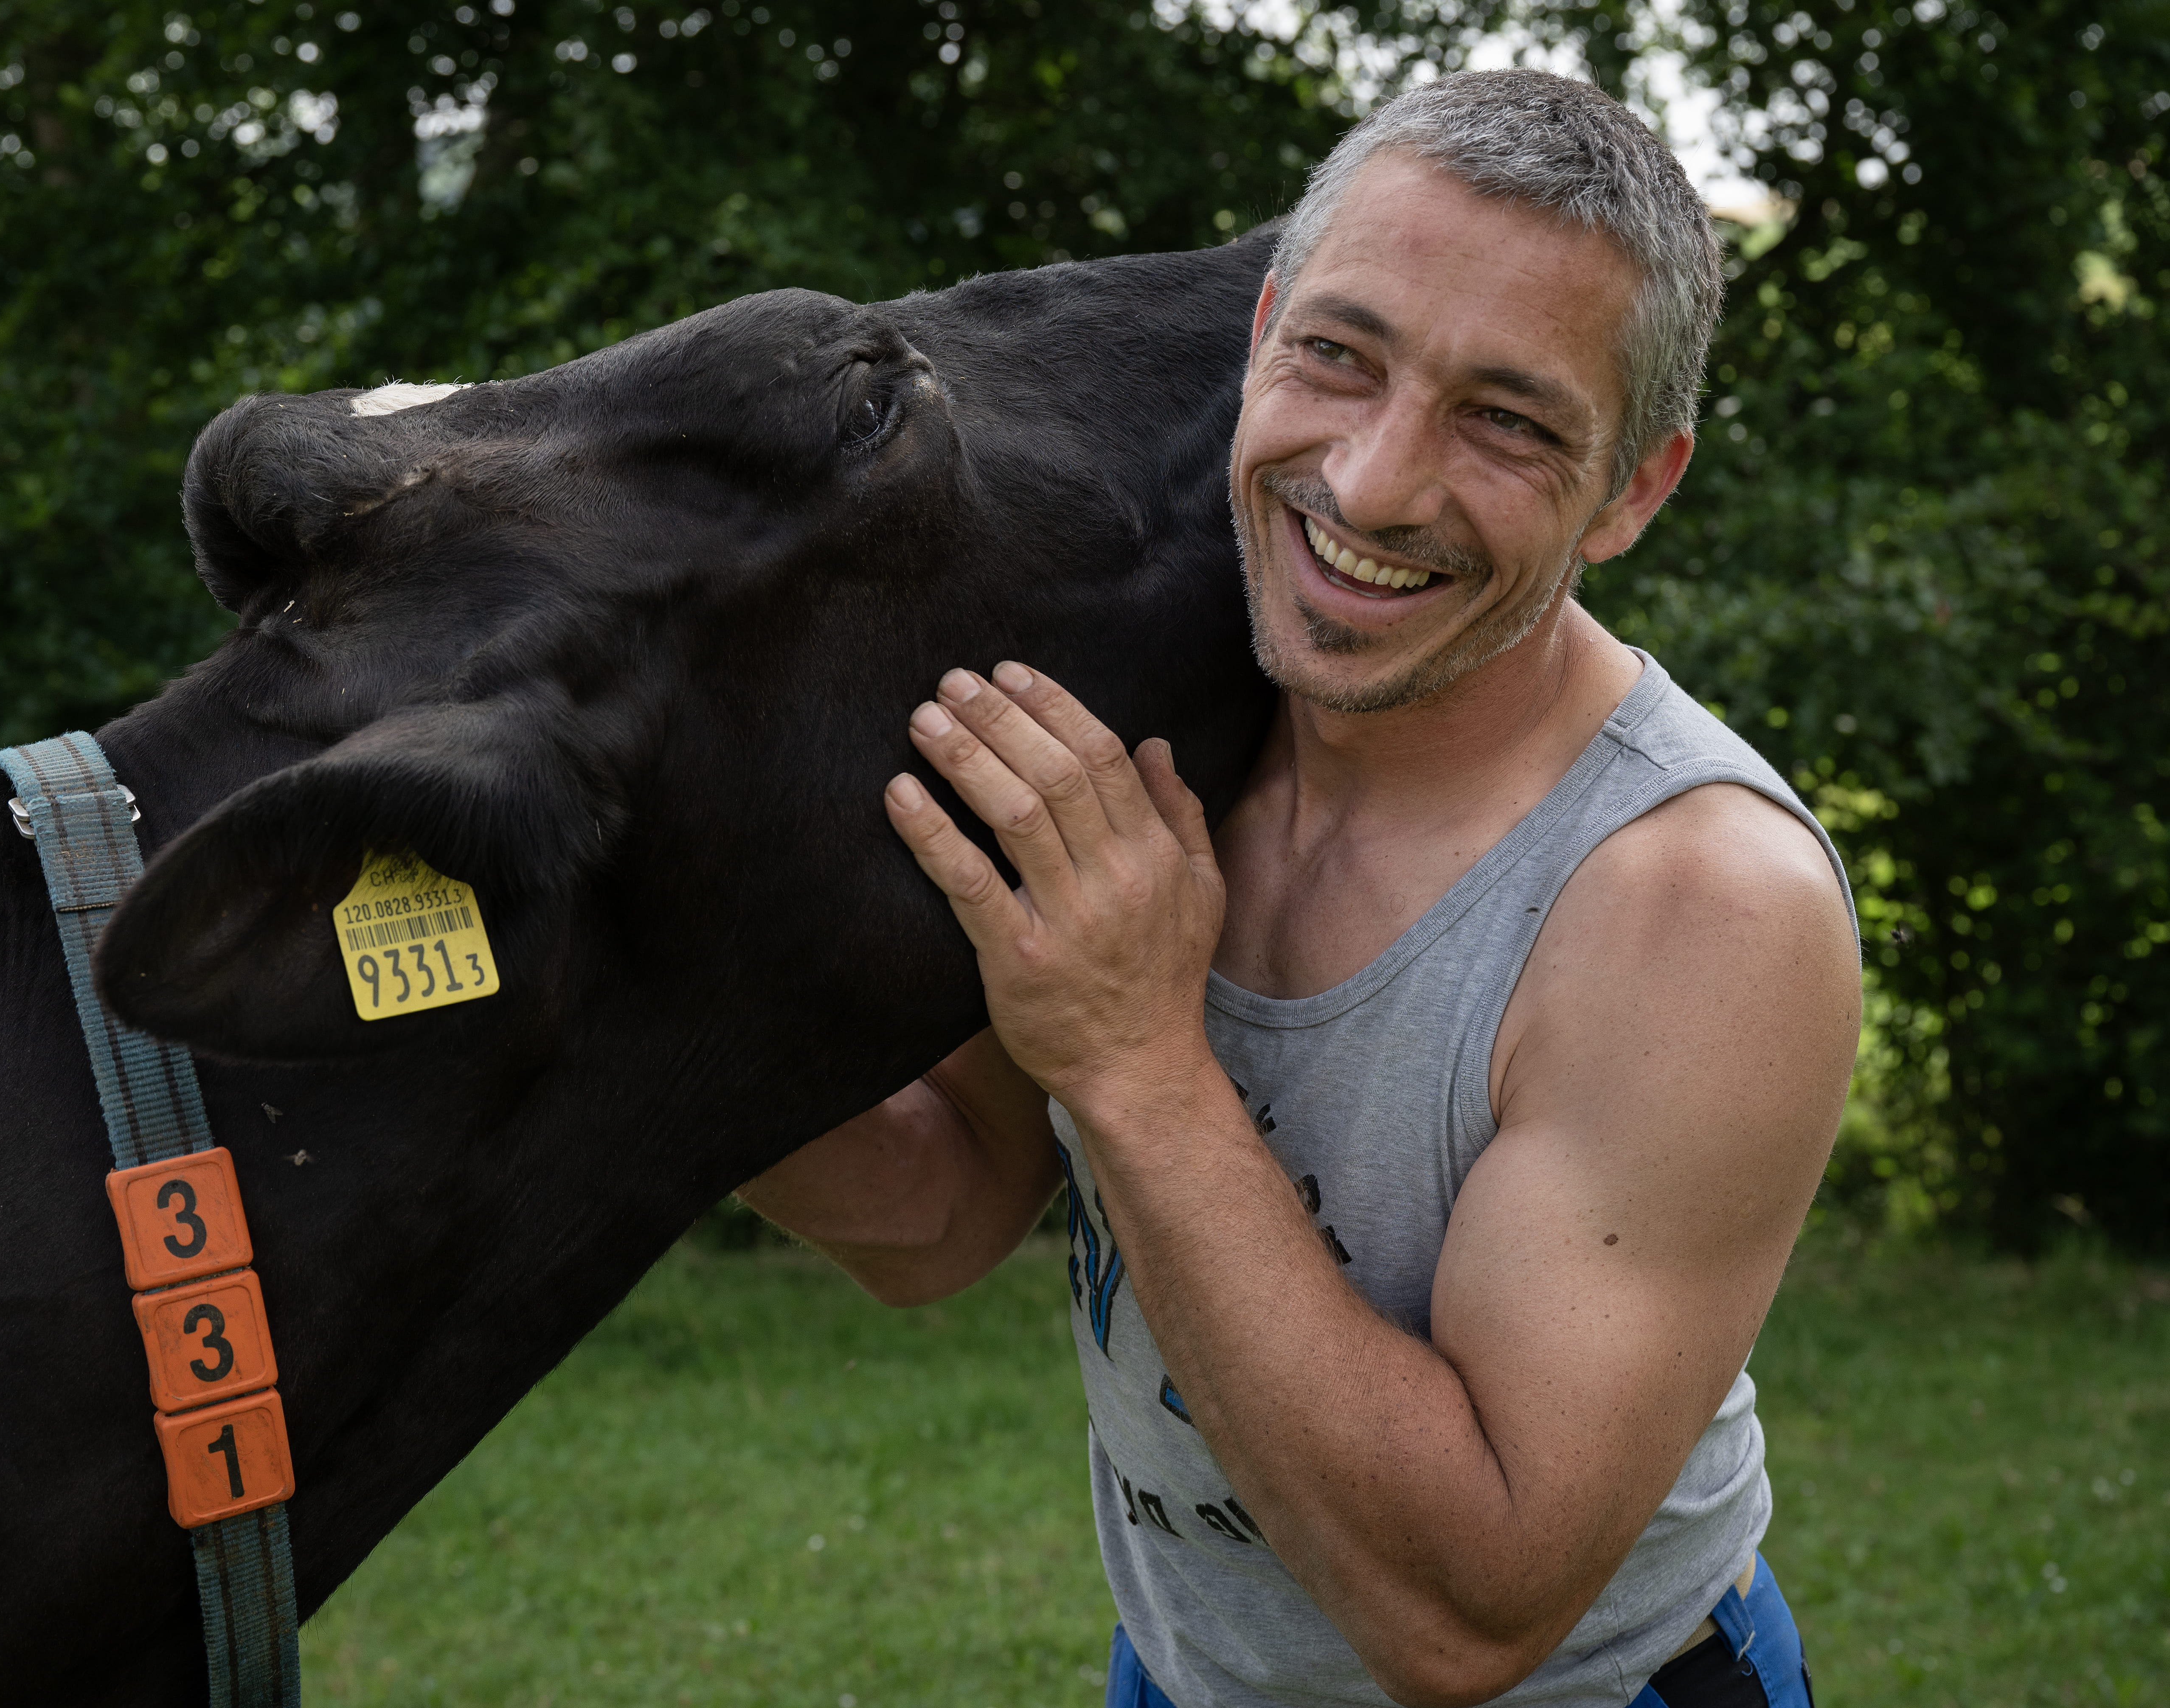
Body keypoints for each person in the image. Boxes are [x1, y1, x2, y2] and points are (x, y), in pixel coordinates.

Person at [739, 68, 1861, 1708]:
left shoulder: (1698, 905)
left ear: (1634, 489)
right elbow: (938, 1206)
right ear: (1262, 330)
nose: (1377, 482)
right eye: (1340, 355)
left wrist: (1133, 1059)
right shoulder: (1166, 713)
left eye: (1509, 419)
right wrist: (586, 984)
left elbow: (1467, 1620)